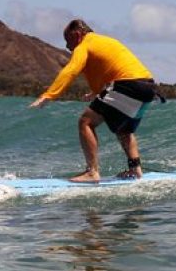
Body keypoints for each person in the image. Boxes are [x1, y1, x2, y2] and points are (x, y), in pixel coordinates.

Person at [30, 19, 162, 183]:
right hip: (148, 88)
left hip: (127, 84)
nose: (67, 46)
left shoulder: (84, 45)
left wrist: (49, 95)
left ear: (77, 35)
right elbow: (106, 69)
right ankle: (135, 170)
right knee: (124, 131)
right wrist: (96, 92)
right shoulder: (105, 41)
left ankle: (92, 172)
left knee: (85, 122)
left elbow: (70, 71)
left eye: (68, 40)